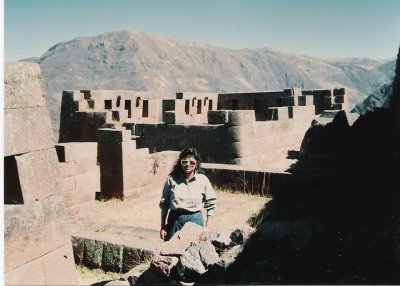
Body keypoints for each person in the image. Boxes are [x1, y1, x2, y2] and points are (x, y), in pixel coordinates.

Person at [159, 147, 217, 241]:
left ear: (196, 164)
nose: (188, 165)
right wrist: (163, 226)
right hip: (175, 221)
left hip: (195, 220)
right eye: (184, 162)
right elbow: (164, 203)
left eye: (192, 162)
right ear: (180, 163)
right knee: (171, 251)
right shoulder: (172, 179)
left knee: (193, 252)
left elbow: (211, 203)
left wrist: (207, 227)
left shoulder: (203, 180)